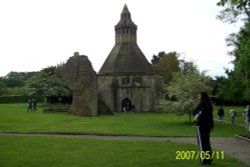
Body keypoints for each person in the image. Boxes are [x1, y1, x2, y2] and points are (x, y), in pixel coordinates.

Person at [193, 92, 214, 165]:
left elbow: (195, 112)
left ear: (202, 96)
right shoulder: (209, 104)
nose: (198, 96)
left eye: (199, 95)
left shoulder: (202, 104)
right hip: (208, 126)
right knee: (206, 142)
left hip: (201, 125)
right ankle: (209, 159)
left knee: (202, 143)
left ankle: (204, 160)